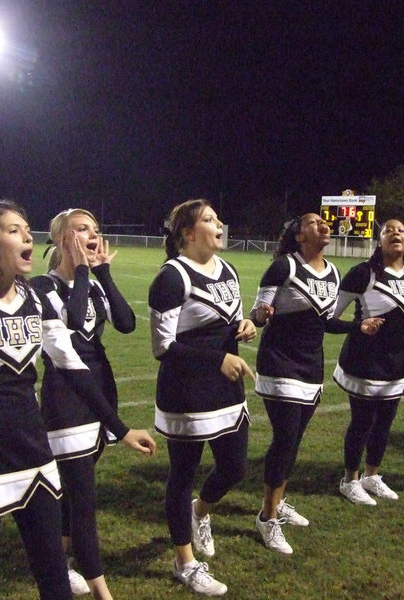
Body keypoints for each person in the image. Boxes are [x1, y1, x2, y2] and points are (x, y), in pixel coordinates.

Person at [0, 200, 155, 600]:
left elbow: (72, 367)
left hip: (35, 454)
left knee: (54, 577)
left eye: (27, 229)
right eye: (13, 230)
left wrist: (120, 430)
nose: (27, 237)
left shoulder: (34, 299)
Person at [31, 208, 156, 599]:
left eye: (96, 229)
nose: (92, 235)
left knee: (74, 490)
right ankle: (102, 590)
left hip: (100, 392)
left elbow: (127, 324)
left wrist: (103, 273)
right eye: (82, 229)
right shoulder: (41, 286)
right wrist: (83, 271)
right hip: (67, 397)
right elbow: (70, 321)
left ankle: (62, 558)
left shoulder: (95, 283)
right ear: (61, 238)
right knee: (83, 499)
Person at [251, 213, 382, 553]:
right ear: (299, 236)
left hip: (311, 367)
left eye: (324, 222)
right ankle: (267, 517)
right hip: (280, 362)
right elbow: (257, 314)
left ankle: (278, 502)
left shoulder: (334, 272)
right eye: (313, 223)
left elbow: (327, 322)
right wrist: (262, 314)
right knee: (285, 439)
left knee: (294, 441)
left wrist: (358, 326)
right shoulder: (284, 267)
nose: (323, 225)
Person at [148, 199, 256, 597]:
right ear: (188, 233)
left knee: (235, 467)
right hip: (187, 391)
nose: (219, 223)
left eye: (217, 217)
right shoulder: (171, 277)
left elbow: (232, 319)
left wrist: (245, 326)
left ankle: (201, 511)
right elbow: (162, 347)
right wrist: (217, 358)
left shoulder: (228, 269)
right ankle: (185, 562)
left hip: (227, 387)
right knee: (182, 476)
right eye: (209, 219)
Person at [333, 219, 404, 506]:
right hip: (364, 361)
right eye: (388, 230)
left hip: (396, 362)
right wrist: (359, 326)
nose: (396, 233)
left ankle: (372, 475)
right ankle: (350, 480)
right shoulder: (363, 273)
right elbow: (330, 316)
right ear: (379, 241)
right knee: (363, 422)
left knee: (385, 423)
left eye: (401, 230)